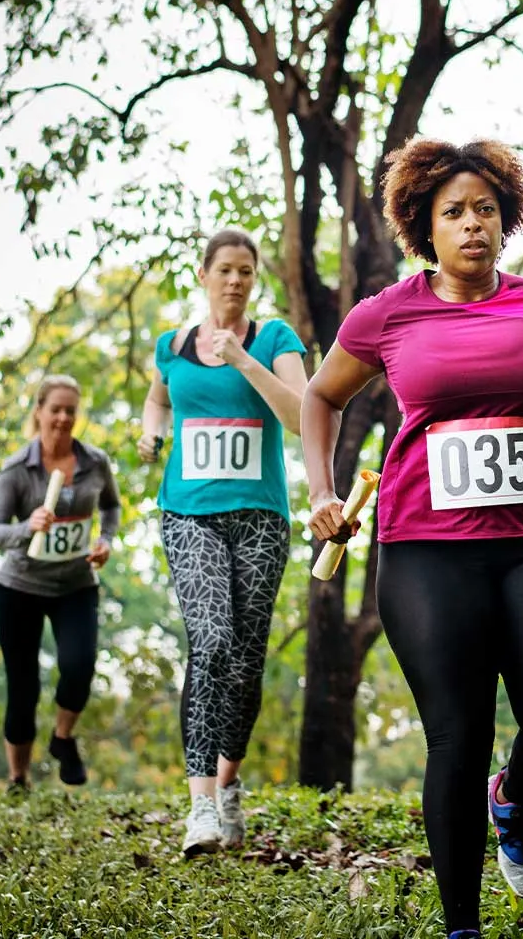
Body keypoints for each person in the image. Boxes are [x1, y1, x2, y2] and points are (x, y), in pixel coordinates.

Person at [301, 137, 523, 939]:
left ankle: (511, 797)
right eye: (454, 213)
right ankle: (462, 929)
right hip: (425, 552)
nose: (473, 225)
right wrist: (322, 492)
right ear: (425, 227)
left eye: (486, 209)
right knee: (458, 731)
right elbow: (320, 399)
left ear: (506, 219)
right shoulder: (389, 313)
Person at [138, 228, 308, 857]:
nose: (235, 280)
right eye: (225, 270)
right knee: (209, 642)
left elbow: (298, 415)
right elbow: (158, 400)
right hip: (189, 514)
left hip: (260, 517)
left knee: (245, 663)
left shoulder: (276, 340)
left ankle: (230, 784)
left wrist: (241, 359)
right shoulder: (172, 346)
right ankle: (201, 805)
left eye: (246, 271)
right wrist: (152, 433)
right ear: (204, 274)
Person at [0, 374, 121, 793]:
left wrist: (105, 540)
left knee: (79, 668)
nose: (63, 418)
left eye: (70, 411)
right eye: (55, 409)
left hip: (76, 584)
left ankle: (63, 739)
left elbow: (111, 507)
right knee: (23, 688)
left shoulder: (95, 462)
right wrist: (26, 526)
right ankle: (18, 778)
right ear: (39, 412)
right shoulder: (15, 470)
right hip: (20, 587)